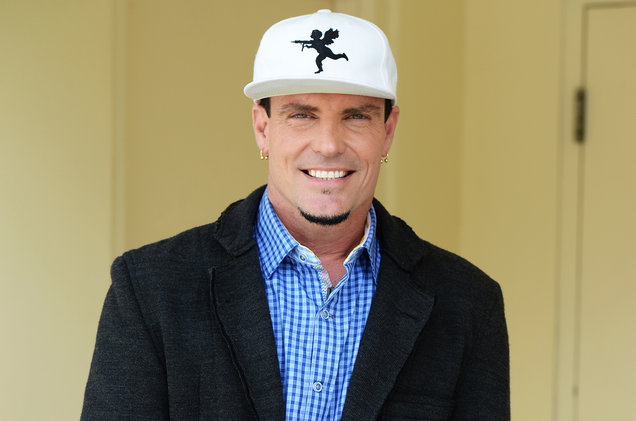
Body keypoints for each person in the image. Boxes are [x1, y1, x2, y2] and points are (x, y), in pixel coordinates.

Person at [81, 9, 509, 421]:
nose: (328, 145)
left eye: (356, 116)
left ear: (388, 131)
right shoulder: (150, 289)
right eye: (302, 115)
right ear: (262, 128)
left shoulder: (468, 303)